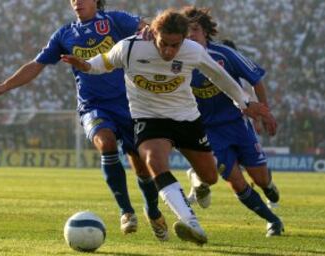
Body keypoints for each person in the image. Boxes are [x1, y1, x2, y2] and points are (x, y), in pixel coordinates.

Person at [59, 8, 274, 245]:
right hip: (148, 118)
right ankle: (191, 223)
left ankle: (196, 180)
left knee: (210, 177)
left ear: (183, 39)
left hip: (186, 119)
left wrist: (246, 103)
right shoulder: (130, 47)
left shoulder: (193, 51)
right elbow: (104, 62)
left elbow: (220, 77)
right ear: (153, 34)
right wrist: (85, 65)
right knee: (153, 162)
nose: (169, 51)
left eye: (175, 45)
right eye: (164, 44)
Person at [0, 0, 169, 241]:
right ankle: (126, 212)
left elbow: (148, 28)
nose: (77, 1)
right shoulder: (65, 34)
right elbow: (37, 65)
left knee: (141, 165)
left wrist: (155, 32)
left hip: (130, 104)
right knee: (106, 143)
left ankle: (153, 212)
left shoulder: (116, 20)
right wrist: (5, 86)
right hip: (93, 106)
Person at [181, 6, 283, 237]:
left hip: (237, 125)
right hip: (209, 131)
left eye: (195, 30)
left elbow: (256, 79)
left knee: (260, 178)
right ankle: (273, 221)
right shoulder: (180, 62)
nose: (190, 35)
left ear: (205, 32)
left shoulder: (224, 54)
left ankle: (268, 185)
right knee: (237, 183)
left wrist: (263, 113)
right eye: (185, 31)